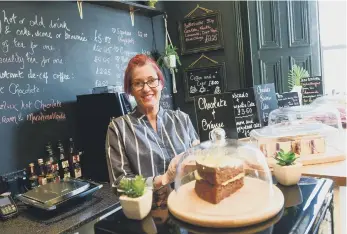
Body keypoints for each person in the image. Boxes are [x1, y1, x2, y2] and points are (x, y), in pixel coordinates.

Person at [106, 54, 199, 191]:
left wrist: (200, 155)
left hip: (188, 205)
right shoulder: (119, 128)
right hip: (150, 210)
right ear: (130, 90)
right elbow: (119, 183)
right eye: (138, 83)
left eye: (152, 80)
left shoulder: (182, 119)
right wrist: (162, 179)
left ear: (161, 84)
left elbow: (200, 160)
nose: (146, 88)